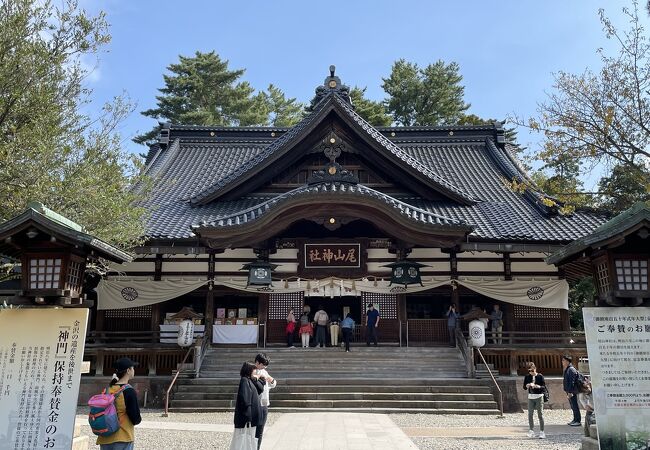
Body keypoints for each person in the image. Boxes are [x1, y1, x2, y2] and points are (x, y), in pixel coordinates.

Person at [96, 357, 142, 450]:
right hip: (123, 436)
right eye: (132, 368)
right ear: (128, 370)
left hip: (105, 436)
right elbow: (135, 418)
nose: (134, 370)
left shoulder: (107, 390)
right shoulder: (129, 391)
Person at [233, 361, 264, 444]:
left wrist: (257, 378)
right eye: (253, 369)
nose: (255, 371)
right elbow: (245, 400)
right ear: (249, 370)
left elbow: (260, 389)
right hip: (247, 418)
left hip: (252, 417)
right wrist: (248, 417)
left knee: (249, 439)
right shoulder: (244, 380)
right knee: (245, 440)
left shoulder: (249, 380)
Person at [253, 353, 276, 450]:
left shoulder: (264, 372)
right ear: (257, 362)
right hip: (255, 404)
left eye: (265, 366)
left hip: (264, 404)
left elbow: (273, 384)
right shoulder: (252, 371)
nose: (264, 367)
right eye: (262, 365)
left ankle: (257, 447)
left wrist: (271, 380)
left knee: (260, 430)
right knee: (253, 429)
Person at [523, 361, 546, 439]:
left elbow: (543, 387)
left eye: (532, 370)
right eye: (529, 371)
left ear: (535, 369)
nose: (531, 372)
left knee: (540, 414)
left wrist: (537, 386)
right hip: (531, 397)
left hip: (539, 396)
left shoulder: (540, 376)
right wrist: (527, 385)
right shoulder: (527, 377)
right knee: (530, 414)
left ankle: (542, 431)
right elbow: (524, 387)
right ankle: (531, 430)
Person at [562, 355, 581, 426]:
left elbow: (572, 381)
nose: (562, 362)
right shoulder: (567, 369)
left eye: (563, 360)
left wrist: (570, 392)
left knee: (574, 405)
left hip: (572, 391)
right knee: (572, 405)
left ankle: (578, 420)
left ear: (567, 361)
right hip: (569, 390)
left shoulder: (571, 369)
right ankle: (575, 419)